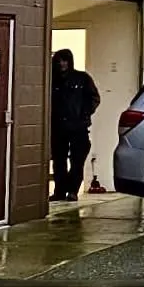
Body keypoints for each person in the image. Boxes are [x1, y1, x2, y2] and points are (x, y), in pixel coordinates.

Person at [51, 48, 100, 200]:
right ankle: (59, 191)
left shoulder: (82, 78)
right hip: (58, 127)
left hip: (78, 127)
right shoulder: (51, 79)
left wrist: (84, 114)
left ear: (69, 61)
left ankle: (72, 190)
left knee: (77, 161)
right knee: (59, 161)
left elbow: (94, 98)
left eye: (64, 60)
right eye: (59, 61)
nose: (61, 64)